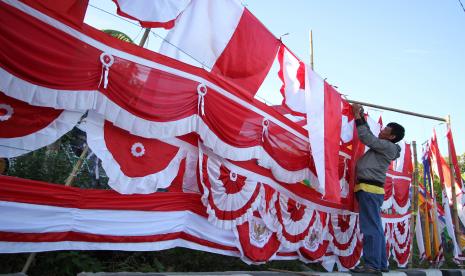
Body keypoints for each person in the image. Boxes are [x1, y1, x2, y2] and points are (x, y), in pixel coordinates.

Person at [350, 103, 405, 274]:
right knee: (376, 228)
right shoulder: (385, 145)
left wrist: (357, 116)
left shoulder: (387, 147)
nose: (381, 131)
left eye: (385, 130)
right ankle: (381, 264)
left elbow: (367, 138)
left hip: (370, 189)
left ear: (392, 137)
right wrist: (360, 115)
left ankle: (372, 265)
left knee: (370, 228)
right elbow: (371, 136)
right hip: (371, 190)